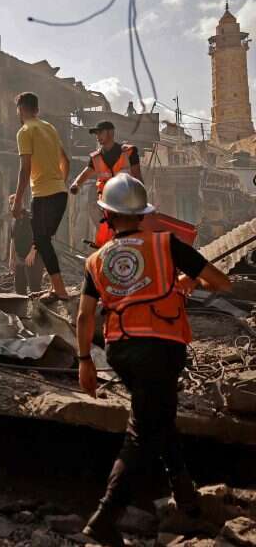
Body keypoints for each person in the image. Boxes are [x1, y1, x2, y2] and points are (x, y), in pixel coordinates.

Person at [77, 174, 231, 545]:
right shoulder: (166, 245)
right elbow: (220, 282)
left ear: (108, 216)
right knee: (141, 431)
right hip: (161, 346)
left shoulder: (95, 260)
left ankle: (186, 495)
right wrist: (192, 281)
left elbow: (84, 317)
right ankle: (104, 517)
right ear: (143, 215)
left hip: (121, 350)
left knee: (157, 415)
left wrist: (85, 361)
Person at [11, 91, 71, 302]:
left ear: (21, 110)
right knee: (44, 241)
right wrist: (59, 182)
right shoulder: (50, 128)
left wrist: (17, 201)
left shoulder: (25, 131)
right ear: (37, 109)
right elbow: (66, 161)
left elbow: (24, 169)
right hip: (60, 193)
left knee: (42, 241)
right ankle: (57, 288)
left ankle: (60, 290)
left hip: (43, 195)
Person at [70, 120, 143, 247]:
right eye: (96, 134)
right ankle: (106, 247)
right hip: (106, 202)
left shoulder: (128, 152)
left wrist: (141, 200)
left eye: (100, 133)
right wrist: (76, 184)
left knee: (123, 231)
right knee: (104, 225)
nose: (97, 137)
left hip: (125, 201)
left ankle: (113, 246)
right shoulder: (96, 157)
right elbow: (86, 173)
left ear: (111, 133)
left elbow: (137, 177)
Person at [9, 194, 44, 295]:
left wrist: (32, 253)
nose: (12, 206)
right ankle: (23, 310)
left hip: (34, 257)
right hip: (20, 258)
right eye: (10, 204)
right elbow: (12, 240)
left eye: (14, 203)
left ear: (21, 203)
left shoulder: (31, 217)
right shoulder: (13, 221)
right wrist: (12, 258)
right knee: (19, 289)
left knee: (34, 288)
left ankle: (37, 309)